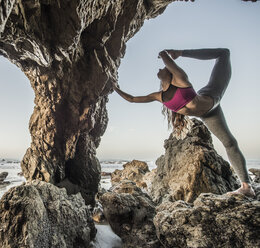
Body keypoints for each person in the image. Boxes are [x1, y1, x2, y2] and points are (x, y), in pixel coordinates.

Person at [113, 48, 255, 197]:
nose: (160, 68)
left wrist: (172, 54)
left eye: (164, 66)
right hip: (208, 114)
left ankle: (246, 186)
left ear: (170, 71)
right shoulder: (159, 96)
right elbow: (132, 99)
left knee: (224, 53)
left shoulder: (180, 79)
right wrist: (115, 87)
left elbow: (168, 62)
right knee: (230, 143)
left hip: (213, 95)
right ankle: (246, 188)